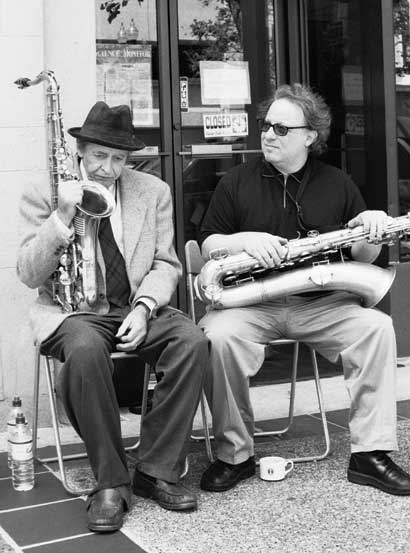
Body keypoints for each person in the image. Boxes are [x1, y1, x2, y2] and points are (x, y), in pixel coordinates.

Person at [197, 83, 410, 495]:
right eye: (265, 125)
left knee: (376, 329)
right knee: (216, 337)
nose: (268, 134)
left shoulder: (337, 182)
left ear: (310, 136)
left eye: (280, 127)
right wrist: (244, 241)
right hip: (252, 303)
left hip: (324, 303)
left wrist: (372, 229)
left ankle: (371, 454)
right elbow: (208, 244)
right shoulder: (236, 182)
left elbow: (362, 258)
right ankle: (234, 454)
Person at [17, 101, 209, 532]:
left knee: (192, 341)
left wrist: (144, 308)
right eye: (99, 156)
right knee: (84, 351)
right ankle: (110, 482)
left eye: (118, 158)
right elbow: (29, 274)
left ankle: (156, 469)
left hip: (134, 305)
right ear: (80, 152)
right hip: (73, 312)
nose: (108, 168)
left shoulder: (152, 191)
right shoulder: (44, 192)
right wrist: (63, 213)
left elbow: (166, 264)